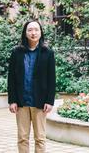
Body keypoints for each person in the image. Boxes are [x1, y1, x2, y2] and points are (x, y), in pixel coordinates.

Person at [7, 20, 56, 153]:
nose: (33, 33)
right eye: (30, 30)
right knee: (22, 137)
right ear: (25, 33)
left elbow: (52, 79)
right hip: (22, 101)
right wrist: (12, 100)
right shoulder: (17, 52)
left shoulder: (48, 53)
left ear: (40, 32)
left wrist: (49, 101)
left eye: (36, 30)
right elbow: (11, 78)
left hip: (40, 102)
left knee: (40, 137)